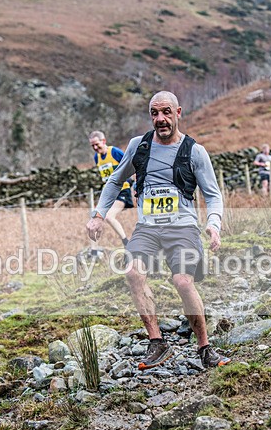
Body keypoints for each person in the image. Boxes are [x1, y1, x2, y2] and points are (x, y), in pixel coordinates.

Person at [85, 91, 231, 371]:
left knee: (183, 282)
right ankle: (157, 342)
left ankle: (204, 347)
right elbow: (115, 181)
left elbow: (213, 195)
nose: (160, 119)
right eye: (154, 113)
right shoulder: (138, 146)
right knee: (133, 272)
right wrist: (98, 215)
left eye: (166, 112)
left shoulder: (194, 151)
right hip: (148, 228)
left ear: (178, 113)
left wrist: (213, 224)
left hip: (183, 227)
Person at [88, 130, 134, 248]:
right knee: (94, 218)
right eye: (92, 145)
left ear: (104, 141)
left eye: (97, 144)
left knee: (108, 216)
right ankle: (94, 251)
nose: (95, 147)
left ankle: (126, 243)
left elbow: (131, 165)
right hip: (108, 194)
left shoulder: (114, 152)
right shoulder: (97, 157)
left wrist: (130, 179)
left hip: (122, 191)